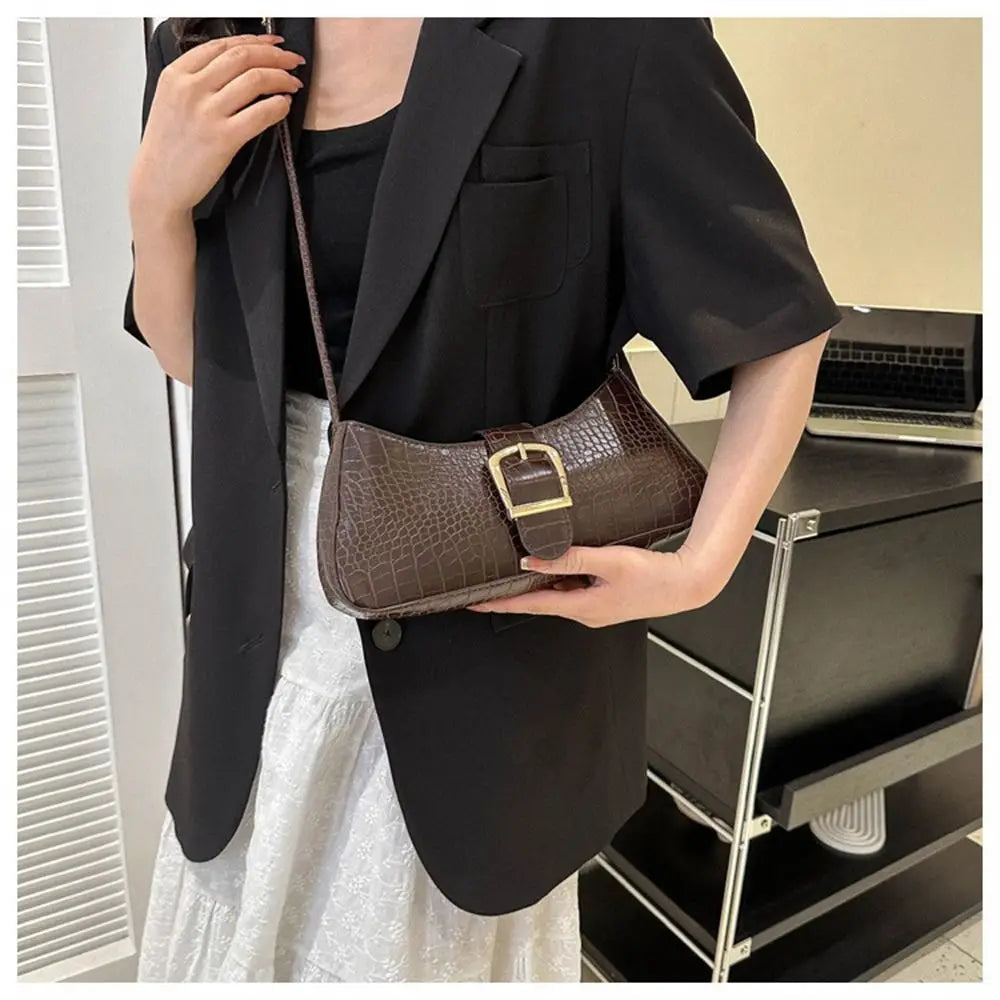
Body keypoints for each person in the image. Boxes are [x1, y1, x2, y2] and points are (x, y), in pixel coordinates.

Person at [123, 16, 842, 982]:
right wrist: (154, 203)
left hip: (488, 648)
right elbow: (198, 363)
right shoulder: (205, 46)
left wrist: (699, 569)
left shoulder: (605, 40)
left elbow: (777, 321)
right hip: (260, 638)